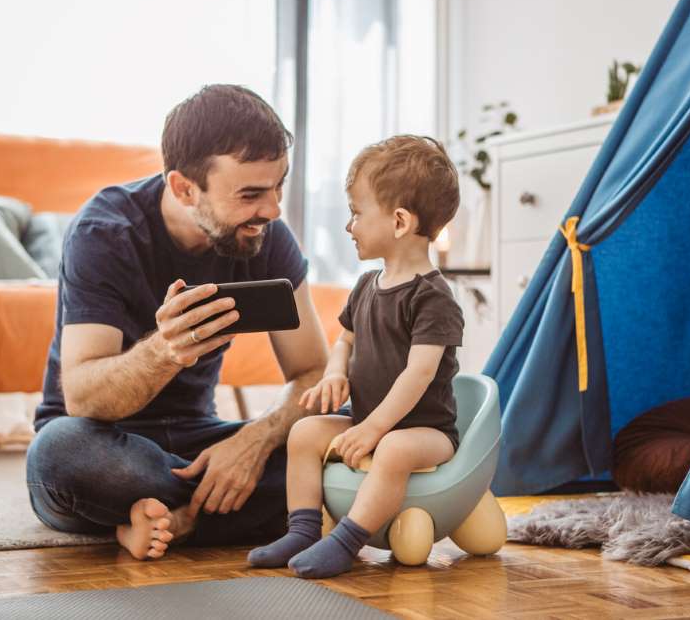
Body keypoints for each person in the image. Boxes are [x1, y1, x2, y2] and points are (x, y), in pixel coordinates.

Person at [25, 85, 329, 560]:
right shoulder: (104, 233)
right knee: (61, 453)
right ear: (185, 188)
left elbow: (314, 372)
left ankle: (157, 520)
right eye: (250, 194)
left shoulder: (266, 236)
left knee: (340, 439)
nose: (271, 210)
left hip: (198, 440)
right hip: (104, 443)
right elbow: (81, 396)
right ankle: (213, 511)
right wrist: (164, 351)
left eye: (278, 186)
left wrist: (255, 439)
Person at [247, 135, 464, 578]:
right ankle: (303, 529)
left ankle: (347, 542)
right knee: (305, 432)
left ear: (399, 221)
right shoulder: (367, 285)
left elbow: (419, 375)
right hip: (367, 418)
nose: (349, 226)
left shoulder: (433, 298)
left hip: (426, 431)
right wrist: (333, 373)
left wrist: (374, 429)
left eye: (356, 213)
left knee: (395, 449)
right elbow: (345, 341)